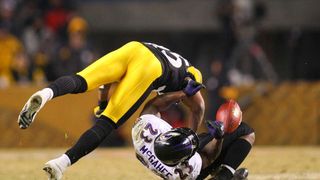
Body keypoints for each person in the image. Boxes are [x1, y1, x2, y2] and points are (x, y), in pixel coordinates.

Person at [18, 41, 205, 179]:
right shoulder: (191, 75)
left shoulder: (177, 63)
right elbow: (198, 104)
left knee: (81, 80)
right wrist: (192, 138)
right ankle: (61, 163)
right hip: (152, 68)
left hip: (135, 47)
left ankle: (46, 93)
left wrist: (102, 105)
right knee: (106, 124)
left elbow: (106, 84)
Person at [131, 90, 254, 180]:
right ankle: (224, 176)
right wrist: (219, 138)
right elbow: (210, 157)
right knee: (247, 131)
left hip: (176, 158)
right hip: (191, 173)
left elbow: (154, 104)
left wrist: (182, 93)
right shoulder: (186, 169)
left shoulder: (142, 129)